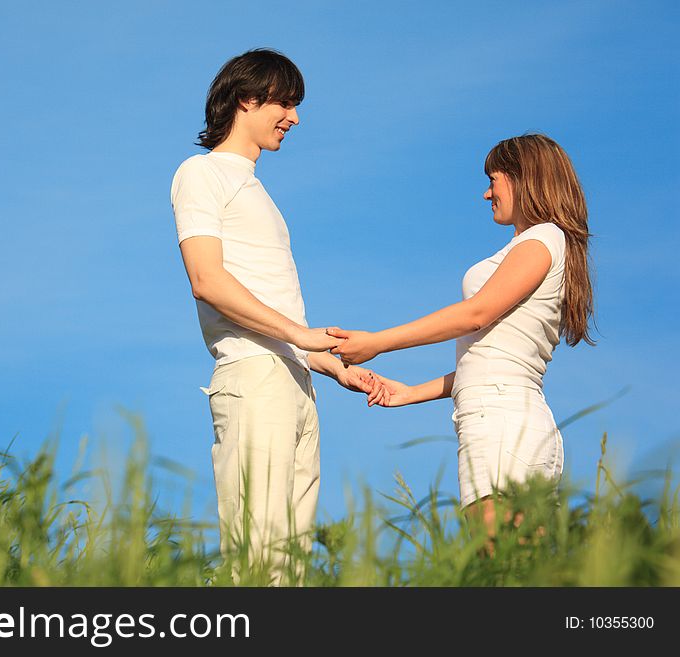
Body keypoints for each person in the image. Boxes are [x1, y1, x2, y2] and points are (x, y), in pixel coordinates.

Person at [170, 49, 387, 579]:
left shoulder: (257, 190)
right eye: (286, 103)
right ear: (247, 98)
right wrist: (300, 334)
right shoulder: (202, 173)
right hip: (254, 379)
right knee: (256, 558)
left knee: (289, 568)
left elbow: (279, 311)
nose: (295, 118)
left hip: (295, 386)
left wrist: (335, 365)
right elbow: (207, 280)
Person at [328, 134, 594, 538]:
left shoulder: (542, 239)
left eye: (494, 179)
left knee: (501, 564)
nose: (487, 193)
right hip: (500, 414)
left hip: (503, 421)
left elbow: (476, 314)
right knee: (513, 568)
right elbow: (489, 357)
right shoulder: (539, 243)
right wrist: (409, 392)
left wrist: (378, 342)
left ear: (524, 178)